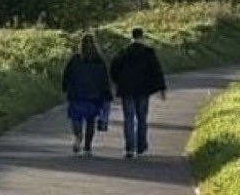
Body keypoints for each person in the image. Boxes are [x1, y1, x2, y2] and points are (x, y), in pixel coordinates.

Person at [109, 27, 167, 159]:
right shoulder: (148, 52)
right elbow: (156, 71)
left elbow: (114, 69)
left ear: (131, 37)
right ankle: (141, 146)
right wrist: (161, 88)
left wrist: (117, 82)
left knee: (129, 119)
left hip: (127, 90)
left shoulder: (123, 52)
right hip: (143, 90)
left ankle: (129, 147)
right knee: (142, 118)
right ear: (142, 37)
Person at [61, 33, 113, 157]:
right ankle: (87, 146)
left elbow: (66, 74)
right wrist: (107, 93)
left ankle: (78, 137)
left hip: (76, 94)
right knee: (91, 121)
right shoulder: (99, 60)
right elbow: (104, 78)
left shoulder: (75, 59)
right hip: (94, 95)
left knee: (76, 118)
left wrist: (65, 88)